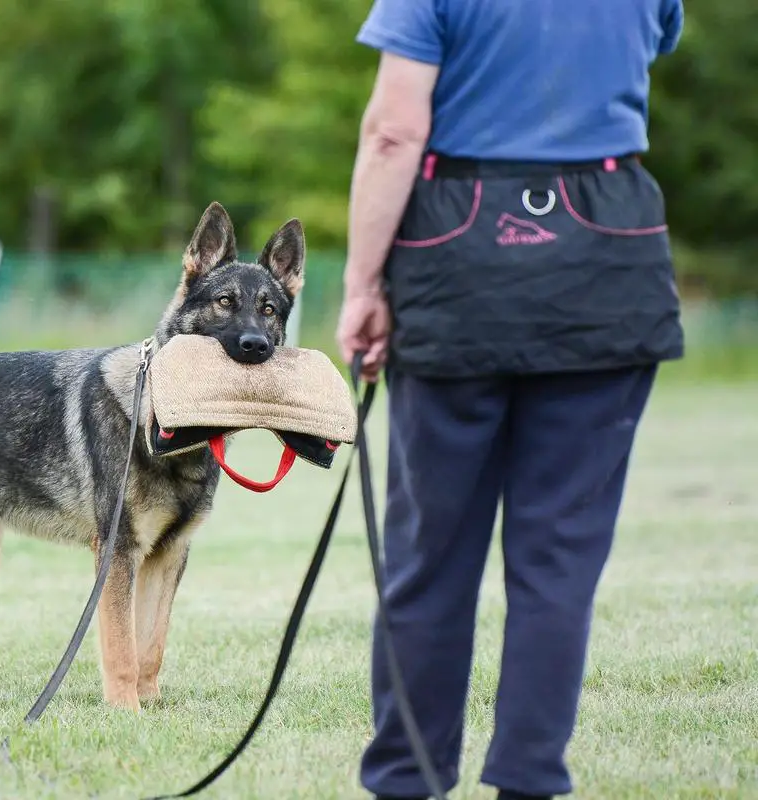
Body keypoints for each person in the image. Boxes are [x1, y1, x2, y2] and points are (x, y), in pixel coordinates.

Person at [333, 1, 685, 799]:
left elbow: (392, 132)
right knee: (559, 558)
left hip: (459, 251)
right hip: (609, 251)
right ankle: (530, 781)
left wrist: (362, 284)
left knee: (431, 555)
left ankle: (407, 781)